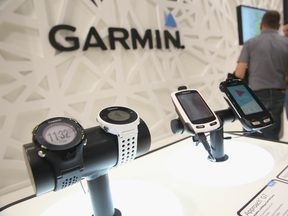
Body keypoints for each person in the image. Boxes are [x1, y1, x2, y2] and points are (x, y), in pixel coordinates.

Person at [234, 10, 288, 140]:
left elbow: (239, 73)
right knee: (272, 133)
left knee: (253, 132)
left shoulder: (250, 43)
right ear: (278, 26)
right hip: (278, 94)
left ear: (261, 25)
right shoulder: (286, 43)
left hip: (255, 95)